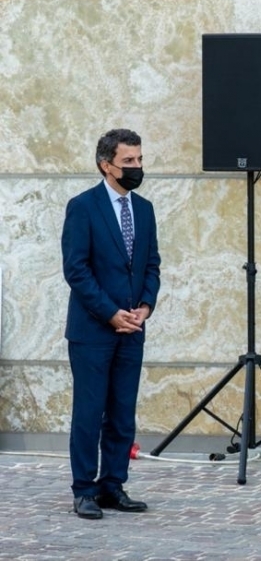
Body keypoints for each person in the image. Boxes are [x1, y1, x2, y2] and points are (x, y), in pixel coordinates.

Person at [62, 128, 161, 519]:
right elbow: (76, 269)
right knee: (89, 412)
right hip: (93, 331)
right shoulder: (83, 207)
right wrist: (110, 313)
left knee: (122, 412)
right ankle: (83, 489)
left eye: (139, 159)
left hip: (133, 329)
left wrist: (145, 307)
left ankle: (112, 485)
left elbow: (151, 265)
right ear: (107, 165)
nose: (137, 167)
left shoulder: (145, 209)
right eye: (129, 161)